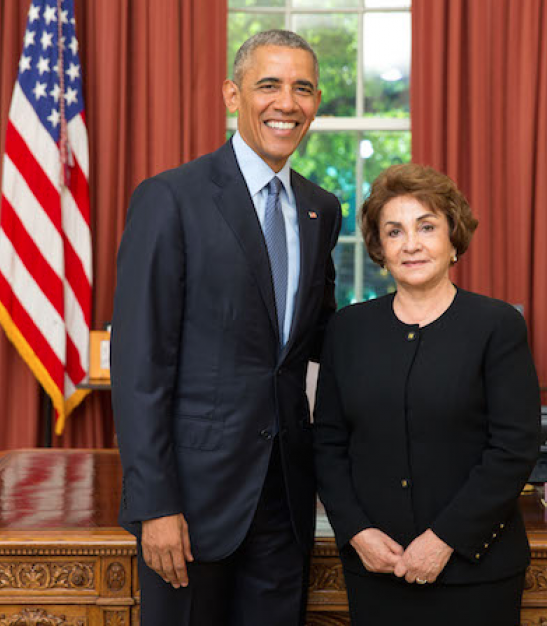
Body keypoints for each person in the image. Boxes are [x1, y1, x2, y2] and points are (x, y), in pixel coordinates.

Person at [111, 30, 341, 626]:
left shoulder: (322, 209)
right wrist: (155, 504)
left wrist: (426, 329)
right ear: (232, 94)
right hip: (191, 503)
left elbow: (320, 338)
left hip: (286, 500)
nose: (286, 103)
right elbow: (139, 367)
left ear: (316, 102)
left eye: (302, 88)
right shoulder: (171, 198)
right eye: (269, 85)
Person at [313, 163, 541, 626]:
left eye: (427, 227)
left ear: (453, 239)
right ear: (380, 249)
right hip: (376, 569)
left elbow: (513, 448)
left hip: (476, 571)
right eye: (394, 231)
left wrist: (443, 540)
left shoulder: (496, 326)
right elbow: (327, 445)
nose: (411, 244)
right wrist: (356, 531)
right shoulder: (347, 330)